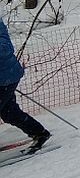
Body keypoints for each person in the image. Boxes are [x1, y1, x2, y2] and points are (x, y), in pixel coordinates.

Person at [0, 16, 50, 153]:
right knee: (9, 113)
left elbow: (6, 48)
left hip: (6, 78)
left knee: (8, 111)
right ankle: (39, 133)